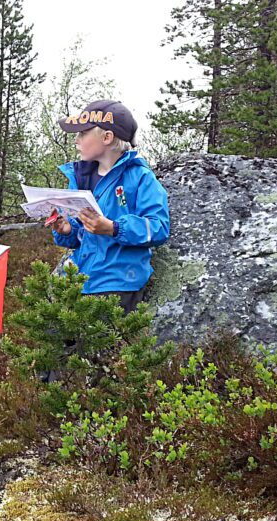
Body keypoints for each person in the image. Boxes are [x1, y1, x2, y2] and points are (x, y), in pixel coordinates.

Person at [38, 100, 171, 383]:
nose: (76, 140)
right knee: (51, 345)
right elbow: (79, 235)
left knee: (95, 360)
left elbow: (159, 227)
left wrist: (113, 228)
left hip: (118, 281)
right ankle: (49, 411)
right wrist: (65, 229)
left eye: (83, 133)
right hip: (81, 278)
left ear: (107, 137)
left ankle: (88, 414)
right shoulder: (81, 177)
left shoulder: (139, 177)